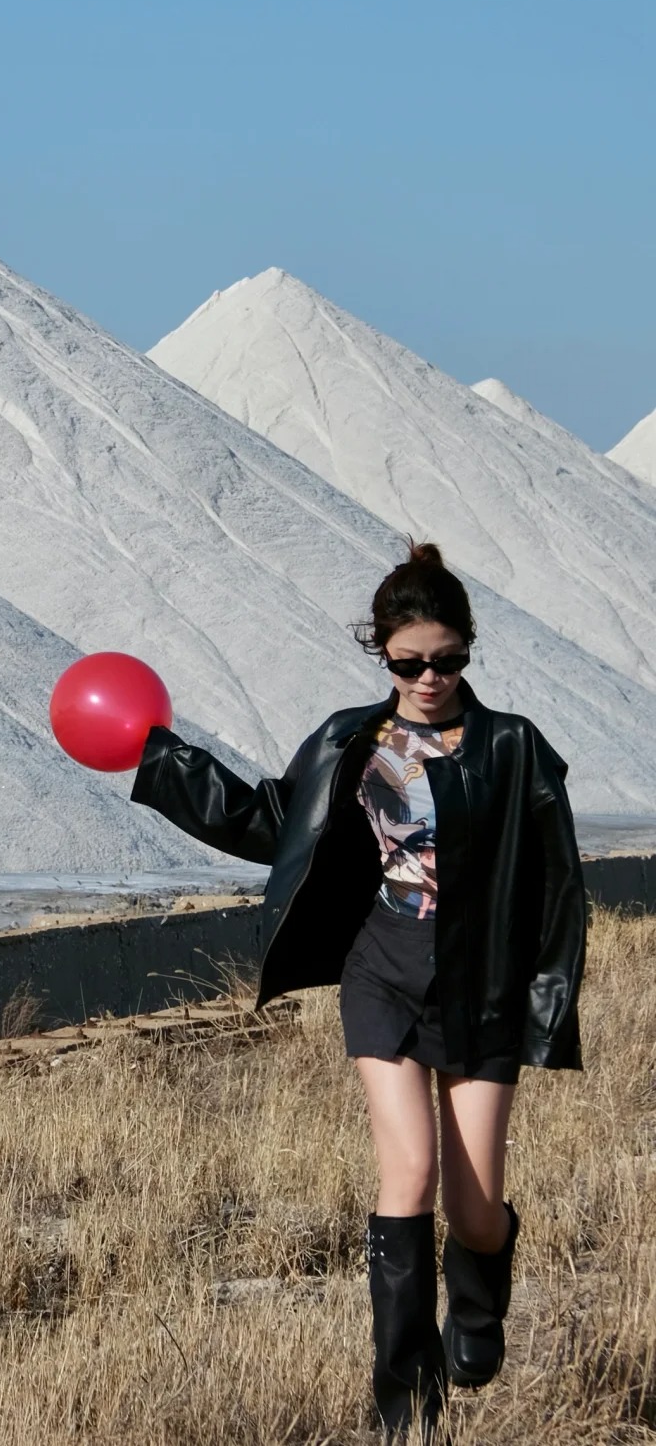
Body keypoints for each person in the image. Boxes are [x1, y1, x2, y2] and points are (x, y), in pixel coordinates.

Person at [130, 540, 586, 1443]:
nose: (429, 677)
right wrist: (166, 764)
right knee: (407, 1172)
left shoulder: (515, 747)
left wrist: (545, 1007)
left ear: (468, 649)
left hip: (483, 989)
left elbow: (558, 887)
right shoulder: (352, 740)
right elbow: (273, 817)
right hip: (381, 975)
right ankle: (406, 1406)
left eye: (447, 660)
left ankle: (480, 1298)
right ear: (382, 654)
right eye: (409, 661)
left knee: (474, 1208)